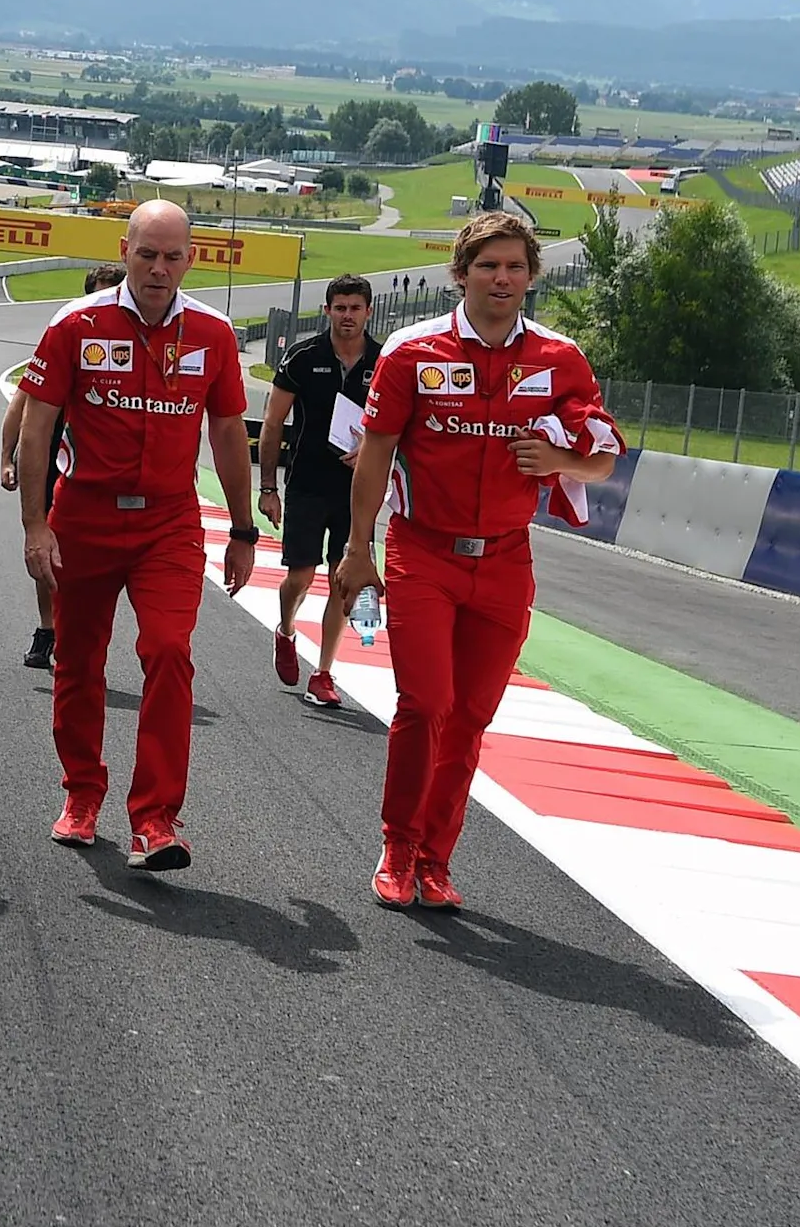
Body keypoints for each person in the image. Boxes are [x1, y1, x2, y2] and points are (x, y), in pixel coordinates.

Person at [338, 211, 617, 913]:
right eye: (489, 265)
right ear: (461, 273)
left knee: (470, 717)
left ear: (531, 276)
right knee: (425, 703)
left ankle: (436, 859)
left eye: (516, 266)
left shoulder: (559, 357)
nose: (503, 277)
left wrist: (560, 459)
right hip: (420, 551)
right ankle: (397, 847)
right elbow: (374, 454)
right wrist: (356, 548)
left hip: (504, 560)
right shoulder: (411, 349)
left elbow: (606, 456)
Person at [12, 206, 258, 872]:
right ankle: (82, 793)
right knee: (78, 661)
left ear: (190, 260)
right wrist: (36, 523)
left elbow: (229, 432)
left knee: (170, 649)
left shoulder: (212, 332)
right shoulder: (77, 323)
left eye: (172, 257)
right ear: (125, 250)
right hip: (84, 516)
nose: (159, 268)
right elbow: (37, 427)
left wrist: (242, 527)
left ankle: (155, 818)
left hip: (168, 522)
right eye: (147, 254)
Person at [257, 274, 378, 708]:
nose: (347, 316)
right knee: (300, 577)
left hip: (357, 492)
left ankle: (324, 673)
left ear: (368, 311)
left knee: (343, 584)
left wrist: (372, 444)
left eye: (355, 308)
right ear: (327, 311)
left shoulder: (382, 362)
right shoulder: (303, 356)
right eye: (340, 307)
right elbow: (272, 424)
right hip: (307, 483)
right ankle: (286, 629)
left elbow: (400, 426)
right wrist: (268, 486)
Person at [0, 263, 122, 669]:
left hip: (100, 460)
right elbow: (23, 399)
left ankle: (79, 629)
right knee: (48, 549)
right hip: (53, 450)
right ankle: (47, 627)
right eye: (101, 293)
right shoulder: (67, 331)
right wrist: (7, 456)